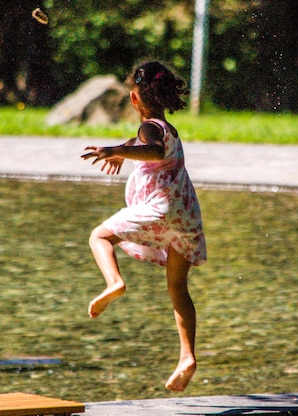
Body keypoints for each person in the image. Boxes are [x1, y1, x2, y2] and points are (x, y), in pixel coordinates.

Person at [81, 61, 207, 392]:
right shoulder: (168, 128)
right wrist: (126, 152)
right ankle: (187, 357)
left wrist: (116, 150)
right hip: (185, 217)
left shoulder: (149, 130)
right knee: (178, 289)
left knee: (100, 236)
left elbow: (151, 148)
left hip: (160, 211)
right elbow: (152, 144)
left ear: (134, 99)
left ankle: (114, 282)